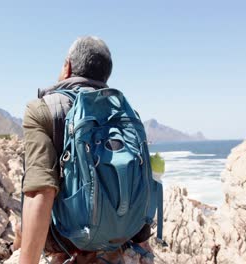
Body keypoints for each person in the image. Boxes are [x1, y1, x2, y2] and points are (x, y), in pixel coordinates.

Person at [15, 36, 152, 264]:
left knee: (21, 227)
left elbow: (41, 190)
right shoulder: (127, 114)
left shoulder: (43, 109)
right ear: (105, 75)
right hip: (124, 233)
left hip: (70, 238)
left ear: (67, 67)